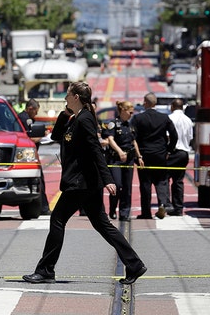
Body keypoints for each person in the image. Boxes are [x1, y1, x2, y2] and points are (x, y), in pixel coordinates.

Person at [23, 81, 147, 285]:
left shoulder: (86, 119)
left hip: (81, 182)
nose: (65, 98)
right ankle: (134, 264)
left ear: (76, 98)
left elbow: (95, 149)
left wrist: (107, 179)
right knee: (102, 225)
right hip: (84, 182)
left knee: (57, 219)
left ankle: (45, 270)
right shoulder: (76, 118)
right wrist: (64, 115)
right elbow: (56, 136)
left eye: (68, 95)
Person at [131, 92, 178, 219]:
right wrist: (169, 150)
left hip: (144, 155)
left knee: (145, 184)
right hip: (160, 154)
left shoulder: (138, 118)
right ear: (155, 103)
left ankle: (146, 212)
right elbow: (174, 135)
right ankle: (162, 203)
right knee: (161, 181)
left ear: (145, 103)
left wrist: (137, 155)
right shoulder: (164, 118)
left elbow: (132, 137)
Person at [106, 100, 141, 221]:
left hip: (129, 159)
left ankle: (124, 212)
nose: (131, 115)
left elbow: (134, 141)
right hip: (116, 159)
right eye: (130, 112)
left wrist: (139, 156)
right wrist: (120, 152)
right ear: (123, 111)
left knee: (127, 187)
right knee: (117, 185)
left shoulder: (130, 125)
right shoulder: (113, 123)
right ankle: (112, 208)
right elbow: (110, 139)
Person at [17, 99, 50, 215]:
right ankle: (43, 208)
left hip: (27, 155)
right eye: (36, 111)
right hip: (28, 156)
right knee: (39, 181)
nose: (36, 114)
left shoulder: (22, 117)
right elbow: (29, 138)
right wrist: (43, 136)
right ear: (30, 108)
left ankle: (42, 207)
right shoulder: (25, 119)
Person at [166, 98, 193, 216]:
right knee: (178, 181)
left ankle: (167, 205)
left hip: (172, 152)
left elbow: (168, 137)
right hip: (184, 153)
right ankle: (178, 208)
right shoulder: (188, 120)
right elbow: (190, 137)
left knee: (165, 180)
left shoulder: (170, 118)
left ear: (172, 106)